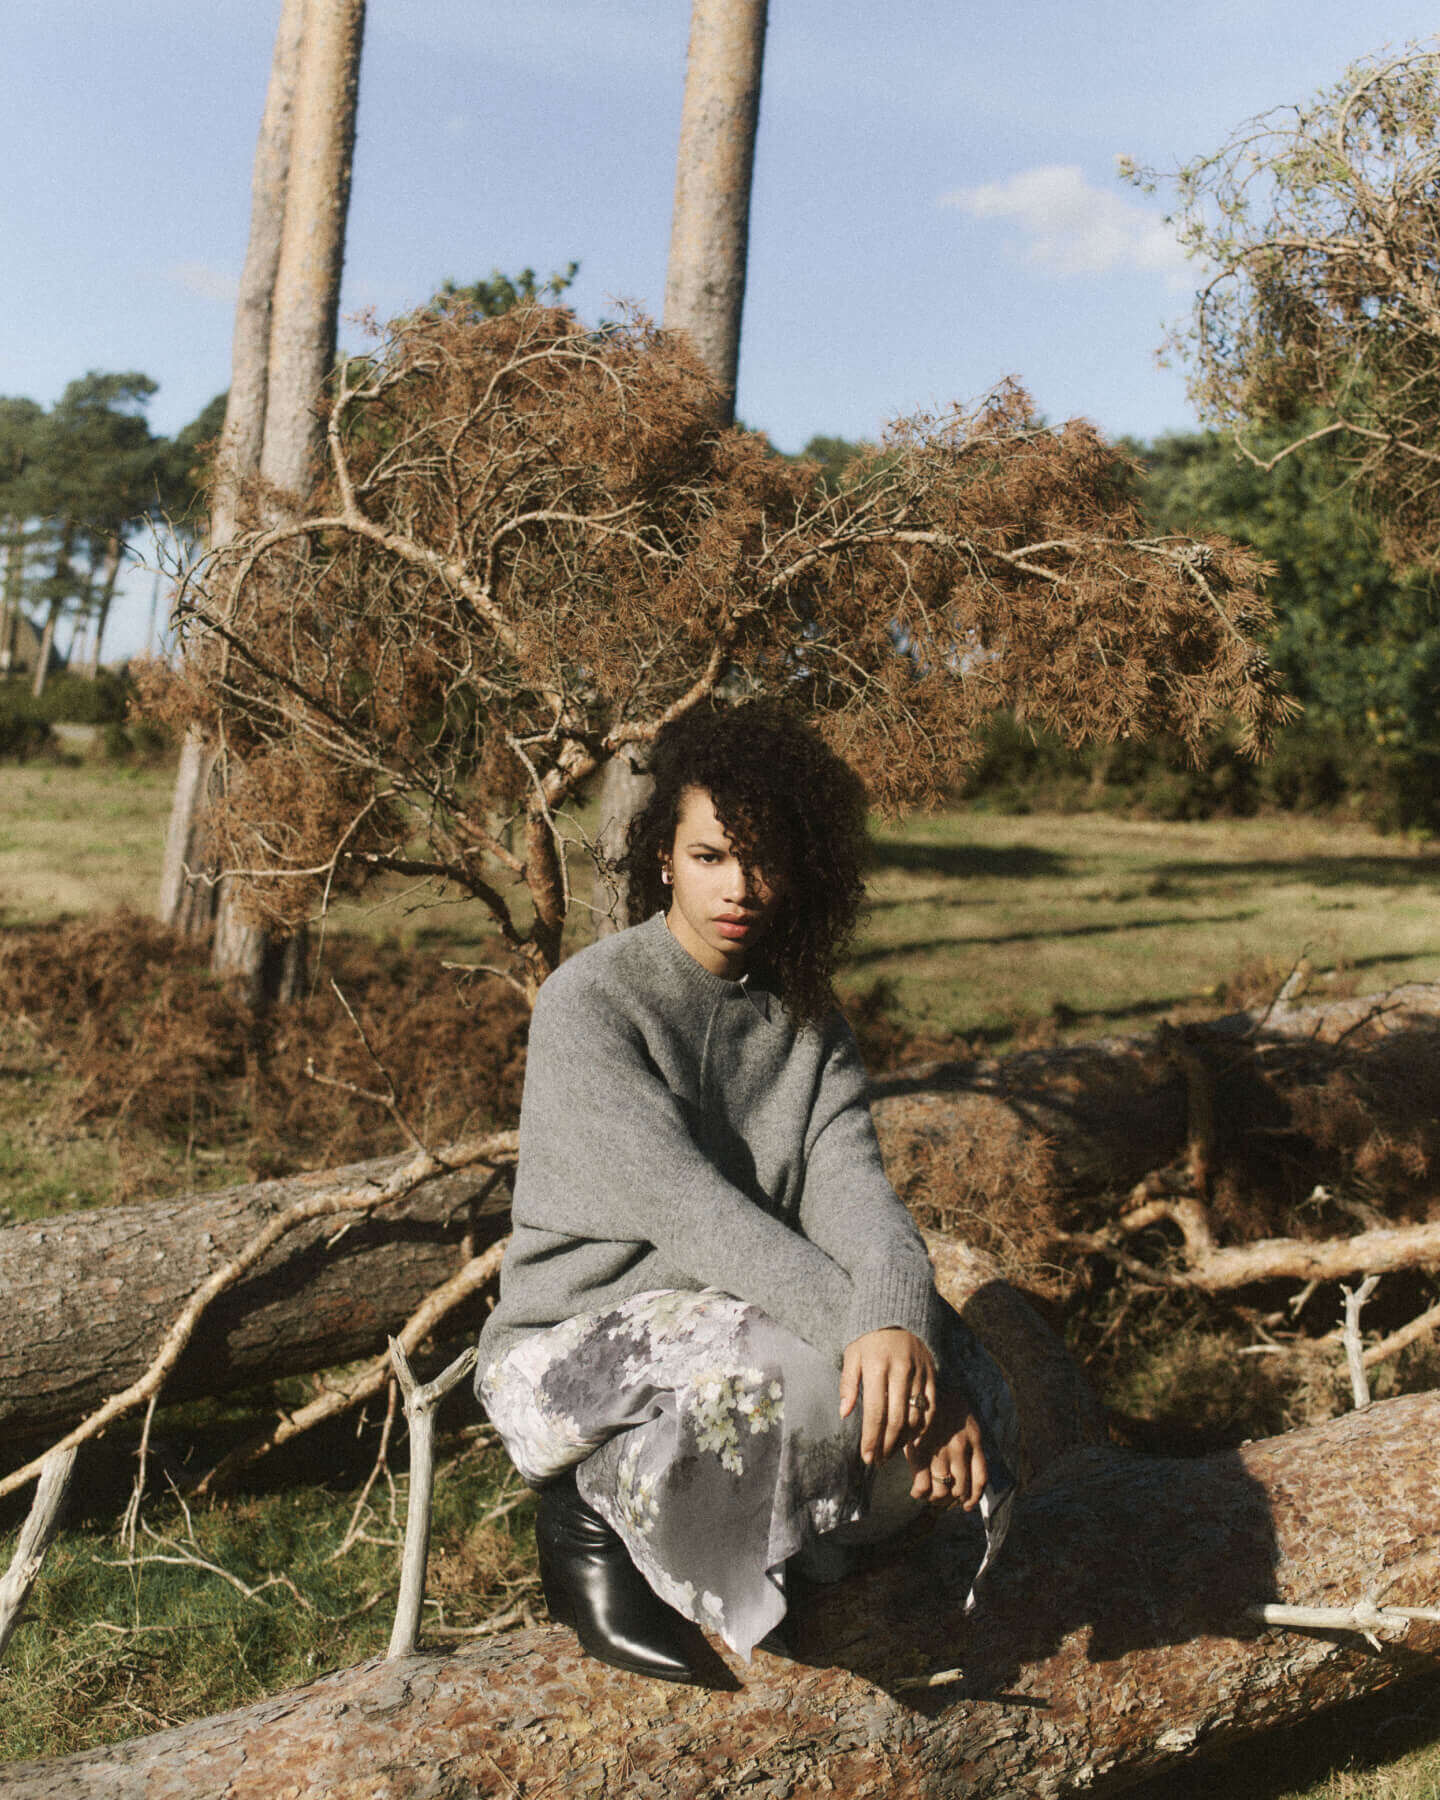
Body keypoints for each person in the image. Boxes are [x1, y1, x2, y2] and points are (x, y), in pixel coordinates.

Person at [476, 701, 1016, 1683]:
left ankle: (819, 1549)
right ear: (663, 861)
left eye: (765, 860)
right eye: (713, 856)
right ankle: (591, 1514)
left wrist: (900, 1323)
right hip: (571, 1349)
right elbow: (693, 1212)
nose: (741, 887)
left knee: (966, 1371)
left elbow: (857, 1197)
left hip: (738, 1311)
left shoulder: (808, 1019)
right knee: (809, 1380)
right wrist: (866, 1347)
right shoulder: (590, 1004)